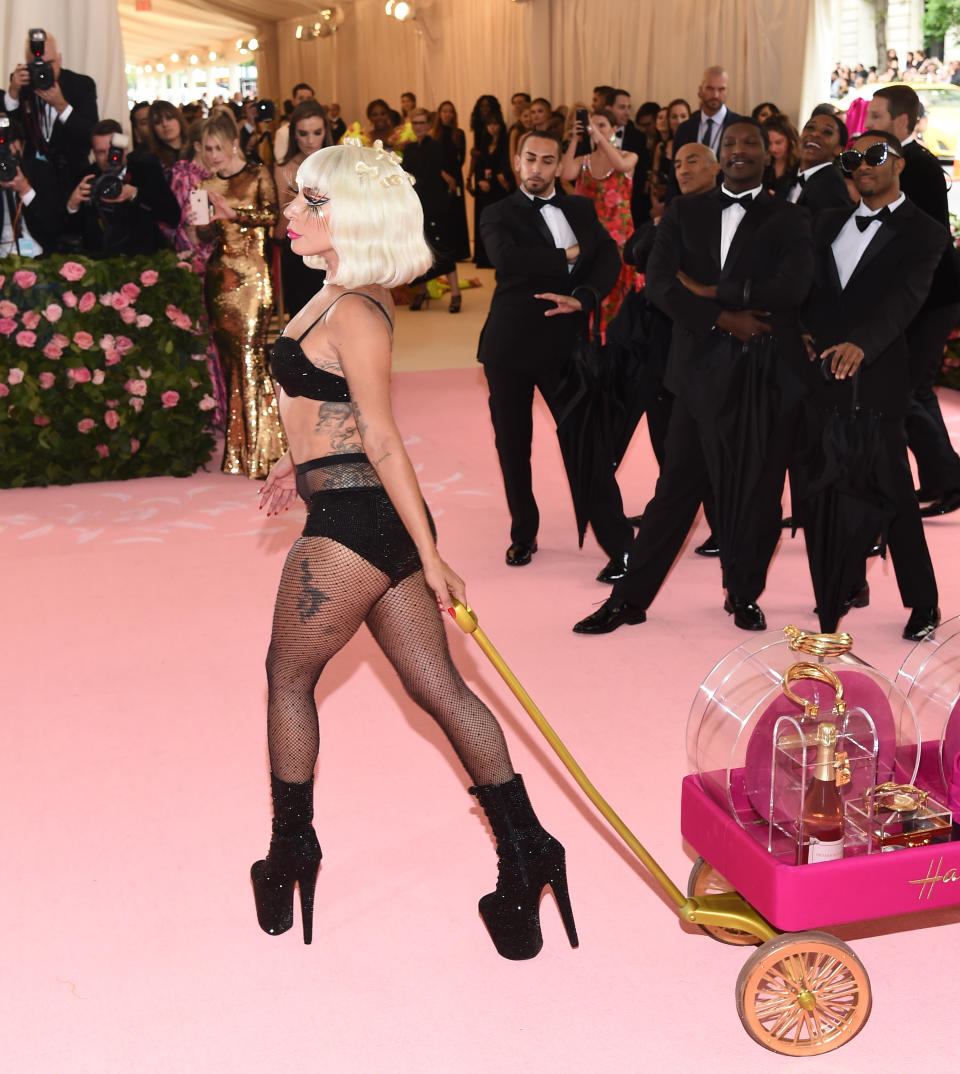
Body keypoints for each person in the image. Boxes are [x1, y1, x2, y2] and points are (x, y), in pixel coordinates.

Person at [252, 139, 577, 958]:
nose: (291, 214)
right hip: (356, 504)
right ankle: (528, 848)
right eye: (297, 199)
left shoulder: (358, 309)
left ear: (353, 215)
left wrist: (430, 556)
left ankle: (293, 848)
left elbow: (386, 438)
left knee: (288, 675)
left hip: (359, 522)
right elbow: (334, 416)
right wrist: (302, 464)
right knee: (441, 689)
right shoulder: (335, 293)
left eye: (311, 202)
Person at [573, 119, 814, 634]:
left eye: (751, 143)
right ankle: (628, 600)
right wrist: (726, 317)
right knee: (675, 491)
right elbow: (660, 285)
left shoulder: (790, 218)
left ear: (768, 155)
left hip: (765, 374)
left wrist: (710, 291)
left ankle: (744, 594)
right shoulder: (683, 212)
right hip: (699, 375)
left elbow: (792, 288)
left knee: (759, 493)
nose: (741, 150)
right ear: (720, 155)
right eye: (732, 143)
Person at [799, 130, 947, 640]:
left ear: (900, 163)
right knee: (824, 487)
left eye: (875, 154)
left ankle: (923, 601)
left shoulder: (925, 232)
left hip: (878, 377)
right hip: (821, 376)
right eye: (852, 157)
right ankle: (841, 588)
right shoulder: (827, 221)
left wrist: (863, 344)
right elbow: (808, 289)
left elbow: (906, 300)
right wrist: (802, 332)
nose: (862, 164)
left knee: (892, 490)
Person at [477, 130, 633, 580]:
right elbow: (508, 260)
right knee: (513, 445)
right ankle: (523, 532)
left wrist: (583, 296)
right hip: (508, 346)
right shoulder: (496, 212)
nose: (537, 168)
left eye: (547, 160)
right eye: (530, 159)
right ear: (517, 160)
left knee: (585, 444)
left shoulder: (580, 209)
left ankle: (619, 543)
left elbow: (608, 259)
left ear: (557, 166)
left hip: (565, 344)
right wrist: (568, 254)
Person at [866, 84, 960, 517]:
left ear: (902, 122)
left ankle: (949, 479)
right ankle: (941, 478)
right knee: (910, 388)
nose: (867, 126)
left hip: (932, 296)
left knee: (911, 388)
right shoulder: (897, 161)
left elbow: (927, 239)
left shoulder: (917, 165)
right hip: (920, 296)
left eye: (877, 118)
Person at [189, 109, 284, 478]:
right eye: (207, 149)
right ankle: (242, 452)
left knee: (251, 359)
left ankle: (264, 452)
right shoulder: (205, 185)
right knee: (232, 364)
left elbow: (272, 218)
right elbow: (204, 237)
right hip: (220, 279)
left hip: (253, 279)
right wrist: (204, 223)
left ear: (233, 143)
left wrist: (234, 211)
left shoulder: (258, 174)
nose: (213, 155)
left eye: (218, 147)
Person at [560, 109, 637, 332]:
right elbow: (565, 174)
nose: (595, 129)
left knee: (618, 295)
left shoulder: (628, 156)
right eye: (592, 125)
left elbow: (622, 167)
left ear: (614, 129)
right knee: (588, 289)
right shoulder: (583, 161)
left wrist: (598, 137)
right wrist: (575, 138)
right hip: (588, 240)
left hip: (619, 241)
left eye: (602, 125)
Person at [64, 119, 180, 256]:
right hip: (101, 261)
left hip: (144, 258)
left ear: (125, 149)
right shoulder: (87, 178)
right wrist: (72, 205)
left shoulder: (145, 170)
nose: (108, 158)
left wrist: (135, 194)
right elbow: (72, 231)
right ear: (93, 153)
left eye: (113, 151)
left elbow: (173, 215)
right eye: (101, 152)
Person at [4, 28, 97, 196]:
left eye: (50, 63)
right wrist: (12, 93)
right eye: (37, 65)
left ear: (60, 59)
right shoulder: (22, 86)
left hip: (74, 179)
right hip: (33, 183)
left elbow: (90, 136)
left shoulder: (81, 85)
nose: (43, 71)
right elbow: (9, 131)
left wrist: (62, 106)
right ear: (26, 64)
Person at [404, 108, 464, 311]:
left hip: (436, 204)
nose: (418, 126)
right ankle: (421, 291)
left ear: (429, 125)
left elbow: (429, 175)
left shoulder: (436, 146)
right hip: (416, 204)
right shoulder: (410, 148)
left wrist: (416, 182)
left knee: (443, 247)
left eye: (422, 123)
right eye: (415, 123)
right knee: (418, 250)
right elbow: (407, 174)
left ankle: (456, 294)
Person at [274, 100, 330, 317]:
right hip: (298, 249)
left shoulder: (337, 165)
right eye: (303, 133)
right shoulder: (284, 168)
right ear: (293, 134)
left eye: (317, 132)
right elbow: (283, 213)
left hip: (334, 248)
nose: (310, 140)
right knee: (302, 315)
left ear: (325, 131)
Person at [669, 66, 746, 196]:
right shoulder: (685, 128)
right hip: (690, 203)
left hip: (727, 202)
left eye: (721, 89)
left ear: (728, 91)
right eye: (710, 88)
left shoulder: (740, 126)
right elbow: (674, 173)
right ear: (700, 90)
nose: (715, 95)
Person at [0, 116, 59, 257]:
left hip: (38, 253)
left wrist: (25, 190)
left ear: (23, 144)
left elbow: (53, 224)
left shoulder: (41, 171)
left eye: (11, 141)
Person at [469, 110, 514, 271]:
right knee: (485, 223)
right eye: (489, 124)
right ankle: (483, 258)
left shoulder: (505, 143)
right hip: (484, 189)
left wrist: (494, 181)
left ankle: (498, 258)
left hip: (499, 190)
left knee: (499, 224)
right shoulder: (484, 143)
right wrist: (480, 180)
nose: (492, 128)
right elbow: (480, 165)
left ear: (501, 125)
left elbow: (505, 167)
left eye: (495, 124)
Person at [781, 112, 852, 211]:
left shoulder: (833, 187)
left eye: (827, 132)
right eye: (810, 127)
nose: (815, 133)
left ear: (838, 149)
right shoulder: (789, 177)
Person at [431, 100, 470, 261]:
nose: (448, 114)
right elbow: (432, 160)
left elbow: (461, 157)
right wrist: (445, 176)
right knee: (443, 213)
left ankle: (459, 252)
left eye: (450, 111)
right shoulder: (434, 134)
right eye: (444, 111)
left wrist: (453, 177)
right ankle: (445, 250)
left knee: (457, 212)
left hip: (456, 177)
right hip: (439, 178)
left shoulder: (459, 133)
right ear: (439, 114)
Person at [611, 88, 652, 226]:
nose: (627, 112)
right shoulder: (595, 135)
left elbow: (640, 176)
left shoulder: (638, 137)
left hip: (629, 205)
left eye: (629, 107)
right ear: (609, 108)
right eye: (622, 107)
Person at [273, 82, 315, 162]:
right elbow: (281, 165)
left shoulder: (320, 129)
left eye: (309, 99)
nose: (305, 102)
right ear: (293, 101)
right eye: (301, 98)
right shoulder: (283, 133)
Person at [148, 100, 187, 179]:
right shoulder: (151, 162)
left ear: (178, 119)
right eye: (158, 122)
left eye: (169, 118)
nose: (165, 124)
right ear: (153, 129)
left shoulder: (197, 149)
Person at [761, 113, 799, 192]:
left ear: (790, 140)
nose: (773, 149)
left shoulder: (799, 165)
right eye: (769, 143)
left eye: (778, 143)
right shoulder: (764, 162)